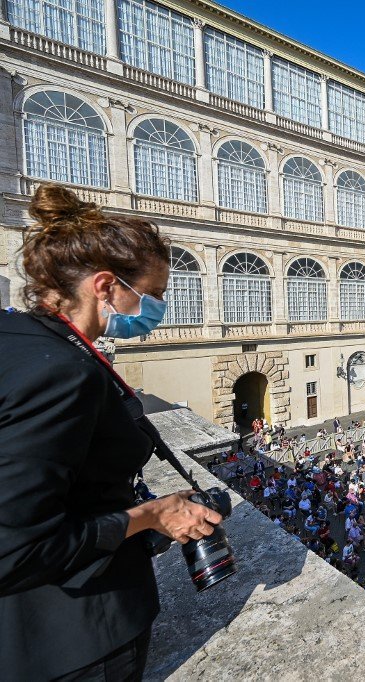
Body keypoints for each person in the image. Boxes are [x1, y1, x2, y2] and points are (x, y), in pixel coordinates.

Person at [0, 185, 224, 679]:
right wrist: (151, 515)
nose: (159, 306)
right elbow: (14, 550)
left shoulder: (18, 337)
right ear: (105, 287)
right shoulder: (59, 371)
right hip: (74, 637)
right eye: (154, 293)